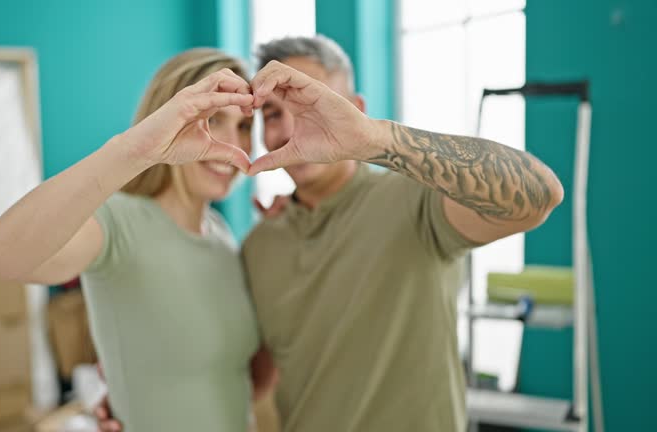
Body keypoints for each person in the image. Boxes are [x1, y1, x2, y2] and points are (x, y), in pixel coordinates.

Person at [97, 35, 564, 432]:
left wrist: (376, 139)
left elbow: (539, 193)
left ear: (356, 110)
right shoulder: (260, 245)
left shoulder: (415, 203)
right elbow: (247, 375)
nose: (288, 128)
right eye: (273, 113)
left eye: (310, 104)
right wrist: (132, 396)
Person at [0, 48, 277, 432]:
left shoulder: (220, 233)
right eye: (213, 119)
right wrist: (134, 150)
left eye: (243, 127)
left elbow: (231, 381)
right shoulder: (118, 221)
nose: (231, 143)